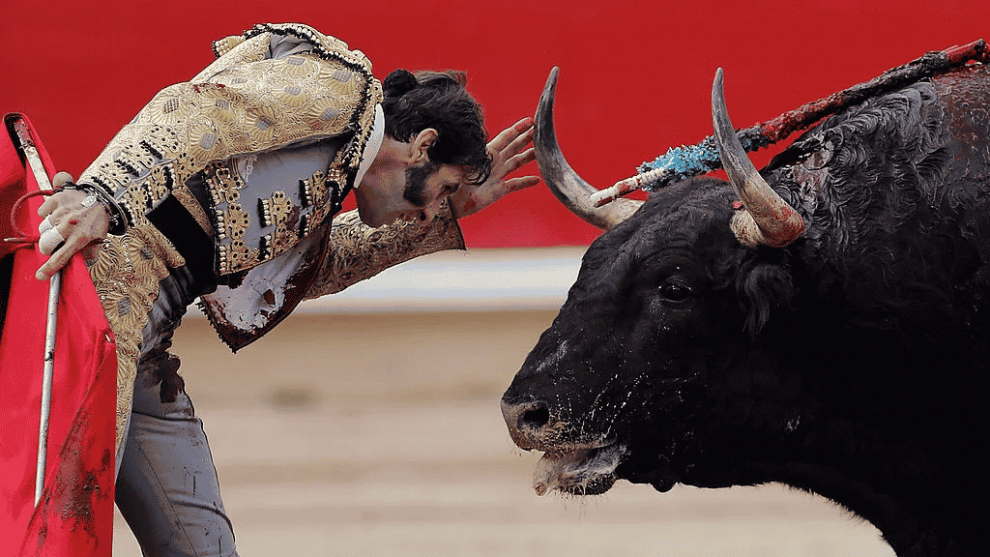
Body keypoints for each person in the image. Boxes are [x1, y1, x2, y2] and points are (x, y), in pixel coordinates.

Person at [33, 22, 538, 557]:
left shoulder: (330, 181)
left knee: (203, 548)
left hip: (144, 342)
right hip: (96, 308)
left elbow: (311, 271)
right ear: (423, 147)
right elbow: (200, 112)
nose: (432, 208)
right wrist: (104, 197)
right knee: (55, 533)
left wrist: (444, 222)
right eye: (445, 191)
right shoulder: (341, 91)